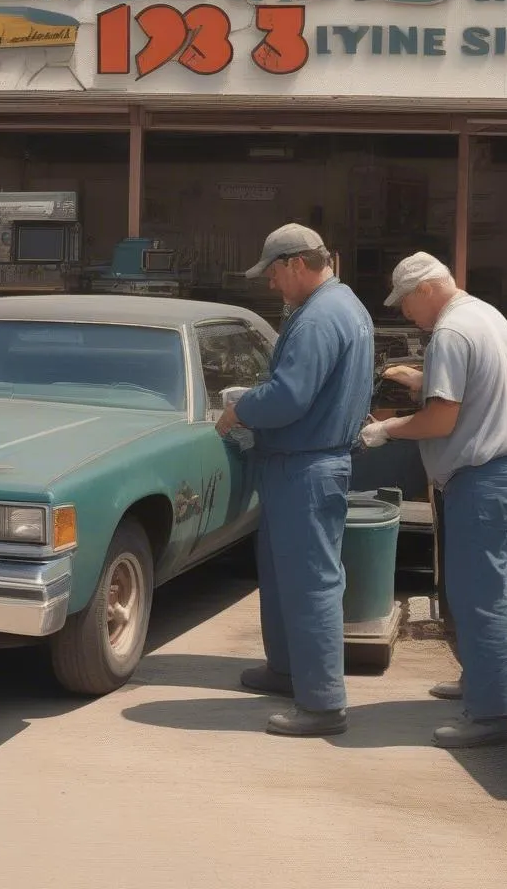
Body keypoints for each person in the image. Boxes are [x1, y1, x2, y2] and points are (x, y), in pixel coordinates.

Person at [360, 252, 507, 749]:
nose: (405, 315)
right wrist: (422, 380)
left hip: (484, 479)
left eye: (406, 304)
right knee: (476, 593)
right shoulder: (484, 314)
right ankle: (480, 681)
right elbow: (478, 387)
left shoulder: (450, 334)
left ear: (425, 290)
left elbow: (441, 421)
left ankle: (489, 716)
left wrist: (386, 429)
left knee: (480, 600)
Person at [215, 223, 373, 738]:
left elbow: (287, 398)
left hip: (306, 465)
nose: (271, 286)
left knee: (309, 585)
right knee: (284, 577)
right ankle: (286, 670)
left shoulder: (318, 318)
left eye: (274, 274)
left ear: (297, 265)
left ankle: (323, 704)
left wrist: (240, 409)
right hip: (304, 463)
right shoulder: (344, 306)